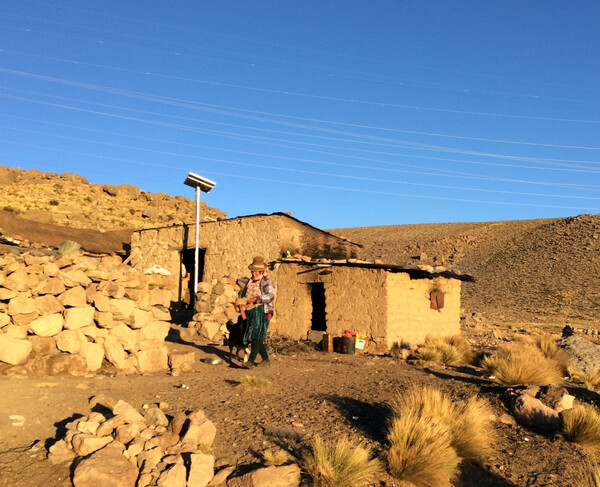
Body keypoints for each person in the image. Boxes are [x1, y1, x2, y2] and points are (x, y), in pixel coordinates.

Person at [238, 256, 275, 368]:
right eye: (252, 271)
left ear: (261, 271)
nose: (253, 273)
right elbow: (243, 295)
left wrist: (256, 299)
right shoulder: (249, 282)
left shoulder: (266, 281)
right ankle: (266, 359)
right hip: (250, 311)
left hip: (260, 310)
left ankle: (250, 361)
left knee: (257, 336)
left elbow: (270, 296)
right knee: (253, 336)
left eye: (255, 272)